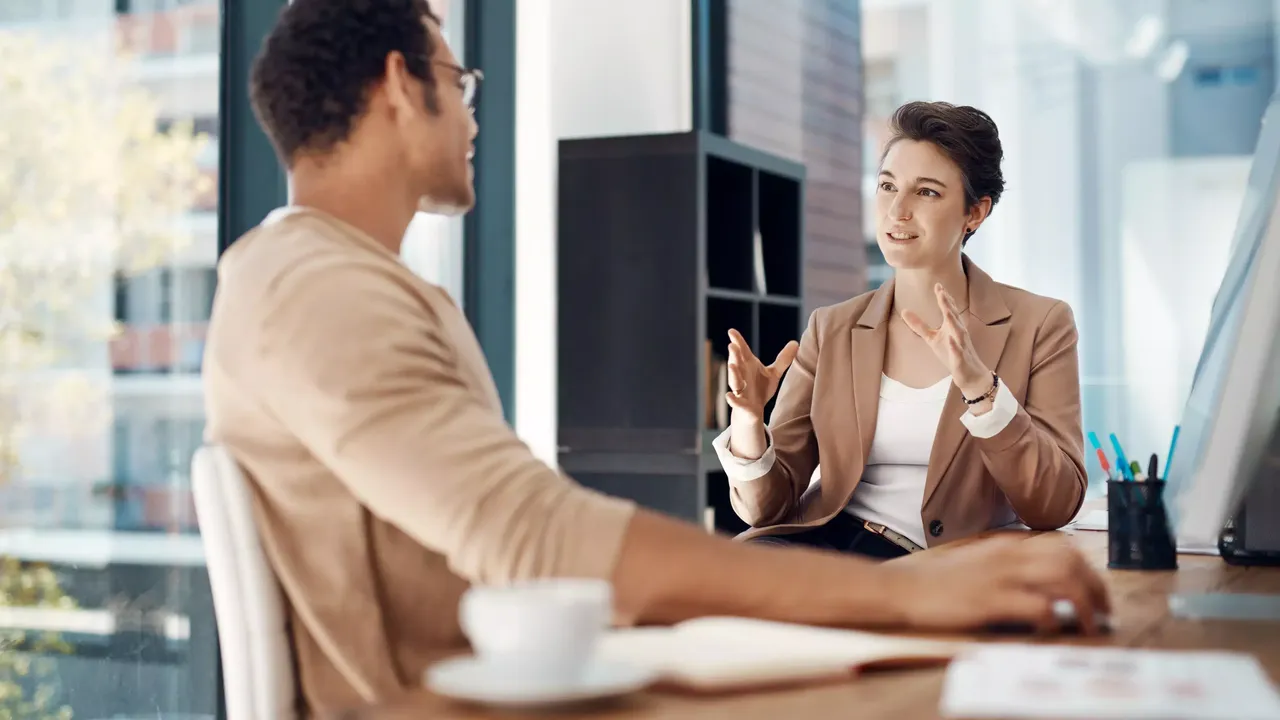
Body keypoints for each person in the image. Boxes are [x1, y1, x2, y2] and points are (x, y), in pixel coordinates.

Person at [202, 2, 1108, 713]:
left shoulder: (358, 285)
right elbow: (535, 538)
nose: (475, 109)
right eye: (460, 78)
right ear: (401, 85)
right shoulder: (313, 287)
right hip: (437, 701)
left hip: (501, 676)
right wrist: (913, 599)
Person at [714, 101, 1087, 559]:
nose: (898, 210)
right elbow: (768, 509)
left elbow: (1056, 503)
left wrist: (981, 390)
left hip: (940, 565)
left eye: (926, 192)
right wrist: (749, 419)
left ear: (976, 212)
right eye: (887, 186)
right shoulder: (832, 329)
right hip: (825, 548)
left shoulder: (1040, 325)